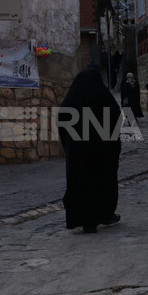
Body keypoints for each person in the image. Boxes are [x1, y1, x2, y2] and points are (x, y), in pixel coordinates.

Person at [59, 68, 123, 233]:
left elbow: (61, 120)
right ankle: (104, 214)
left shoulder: (71, 100)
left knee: (79, 183)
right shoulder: (104, 98)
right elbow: (116, 116)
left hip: (77, 154)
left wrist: (69, 145)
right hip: (101, 153)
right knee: (103, 181)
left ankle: (84, 220)